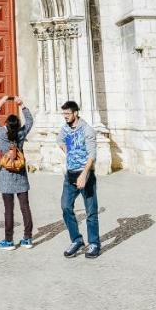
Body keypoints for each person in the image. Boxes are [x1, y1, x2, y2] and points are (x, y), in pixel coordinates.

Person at [0, 96, 35, 250]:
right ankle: (27, 239)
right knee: (25, 208)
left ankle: (9, 241)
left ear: (6, 124)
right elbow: (30, 121)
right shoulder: (21, 134)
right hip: (20, 176)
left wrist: (1, 102)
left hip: (5, 177)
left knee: (9, 210)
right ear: (18, 125)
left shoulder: (1, 133)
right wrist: (22, 105)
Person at [58, 100, 101, 258]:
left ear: (75, 113)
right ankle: (76, 240)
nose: (65, 117)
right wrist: (68, 152)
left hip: (85, 175)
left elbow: (92, 156)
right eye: (64, 114)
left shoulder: (87, 130)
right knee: (65, 206)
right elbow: (59, 140)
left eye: (68, 114)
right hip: (70, 175)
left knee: (91, 211)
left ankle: (94, 243)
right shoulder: (65, 129)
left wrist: (84, 174)